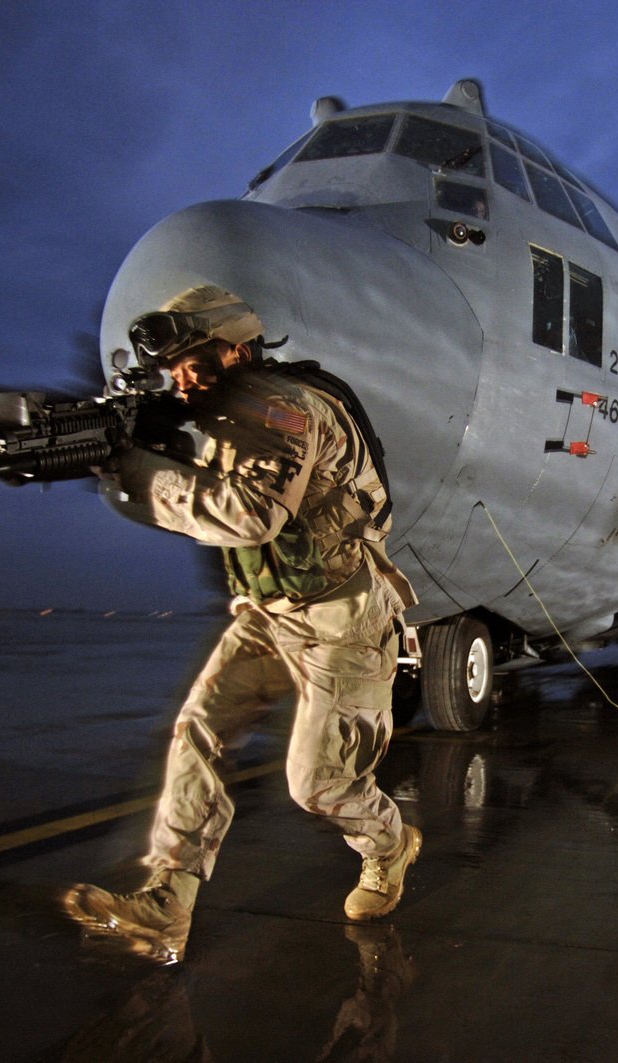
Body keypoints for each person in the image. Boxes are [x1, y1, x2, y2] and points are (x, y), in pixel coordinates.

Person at [63, 291, 420, 963]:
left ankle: (389, 845)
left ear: (236, 348)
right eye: (173, 371)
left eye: (192, 364)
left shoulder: (284, 410)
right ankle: (168, 902)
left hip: (343, 618)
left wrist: (139, 472)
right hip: (268, 614)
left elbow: (252, 516)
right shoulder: (224, 412)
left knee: (319, 784)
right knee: (198, 728)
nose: (182, 381)